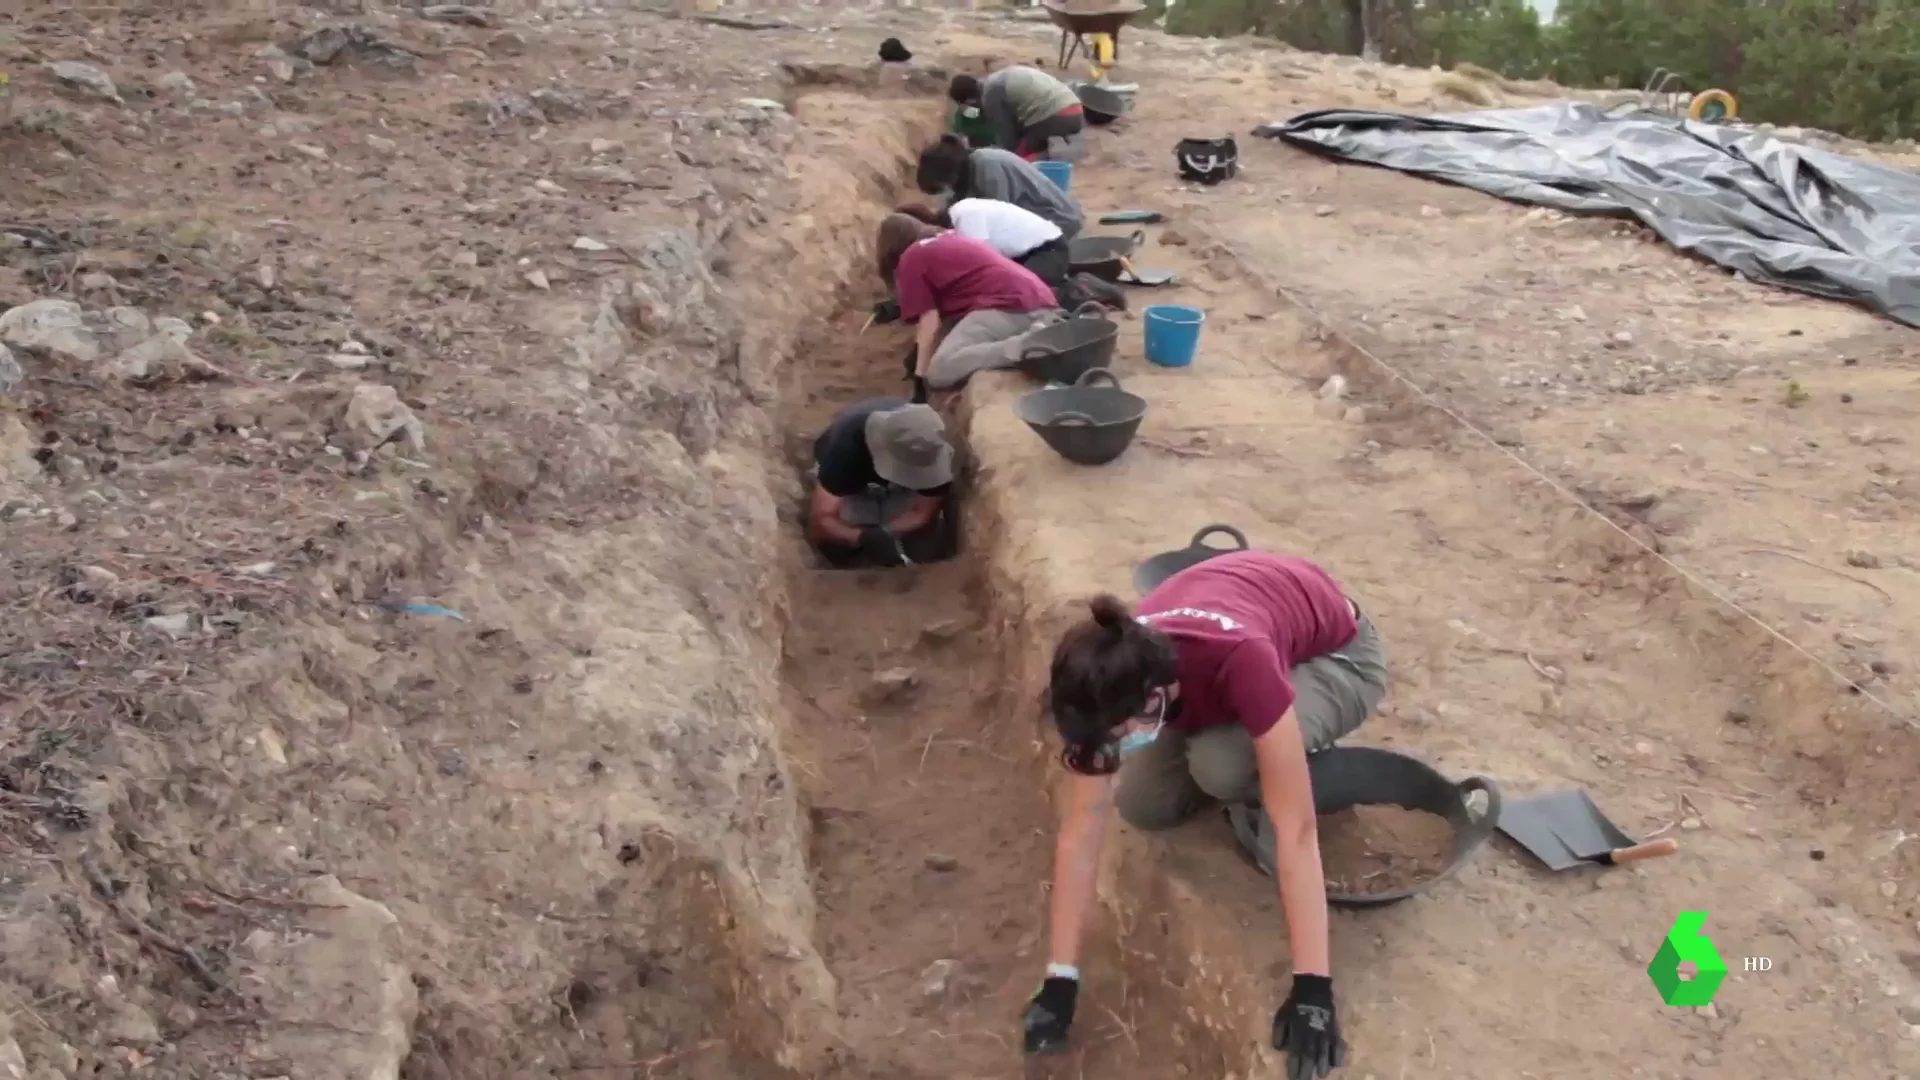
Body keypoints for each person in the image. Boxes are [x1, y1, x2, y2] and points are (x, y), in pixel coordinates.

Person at [1025, 551, 1390, 1080]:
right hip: (1231, 645)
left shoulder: (1240, 659)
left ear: (1153, 699)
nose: (1113, 749)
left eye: (1120, 735)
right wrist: (1060, 979)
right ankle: (1247, 749)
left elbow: (1296, 831)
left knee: (1221, 765)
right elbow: (1081, 835)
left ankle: (1285, 765)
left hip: (1339, 657)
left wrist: (1314, 988)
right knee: (1143, 804)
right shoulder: (1113, 678)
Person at [875, 213, 1063, 392]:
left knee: (940, 369)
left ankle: (1025, 345)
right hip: (1035, 299)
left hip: (1009, 305)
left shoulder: (911, 257)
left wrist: (920, 374)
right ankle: (1035, 333)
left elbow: (929, 320)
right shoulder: (946, 237)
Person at [806, 397, 956, 568]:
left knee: (926, 548)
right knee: (844, 528)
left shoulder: (931, 445)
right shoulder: (845, 448)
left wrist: (885, 532)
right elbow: (822, 519)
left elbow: (922, 513)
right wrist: (862, 537)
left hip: (894, 484)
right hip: (851, 478)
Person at [915, 135, 1085, 241]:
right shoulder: (967, 169)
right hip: (1037, 221)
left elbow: (996, 225)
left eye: (941, 187)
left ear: (950, 176)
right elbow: (954, 206)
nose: (946, 191)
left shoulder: (988, 168)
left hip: (1058, 222)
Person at [893, 199, 1069, 286]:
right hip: (1025, 256)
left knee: (1018, 295)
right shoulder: (958, 217)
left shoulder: (965, 217)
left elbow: (983, 266)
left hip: (1048, 251)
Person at [949, 67, 1086, 161]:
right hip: (1075, 110)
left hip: (1056, 115)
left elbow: (1008, 141)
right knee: (1032, 143)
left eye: (968, 106)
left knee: (1017, 158)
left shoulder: (991, 95)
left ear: (969, 99)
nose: (973, 109)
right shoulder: (995, 80)